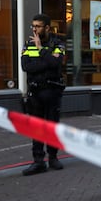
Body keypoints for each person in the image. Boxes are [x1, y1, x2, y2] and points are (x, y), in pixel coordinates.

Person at [21, 13, 66, 176]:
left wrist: (40, 49)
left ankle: (53, 157)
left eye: (38, 26)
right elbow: (26, 67)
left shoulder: (58, 43)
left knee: (52, 126)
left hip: (52, 91)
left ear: (47, 27)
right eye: (33, 26)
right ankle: (38, 161)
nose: (34, 29)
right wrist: (46, 62)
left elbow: (56, 64)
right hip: (35, 92)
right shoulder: (28, 44)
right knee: (36, 127)